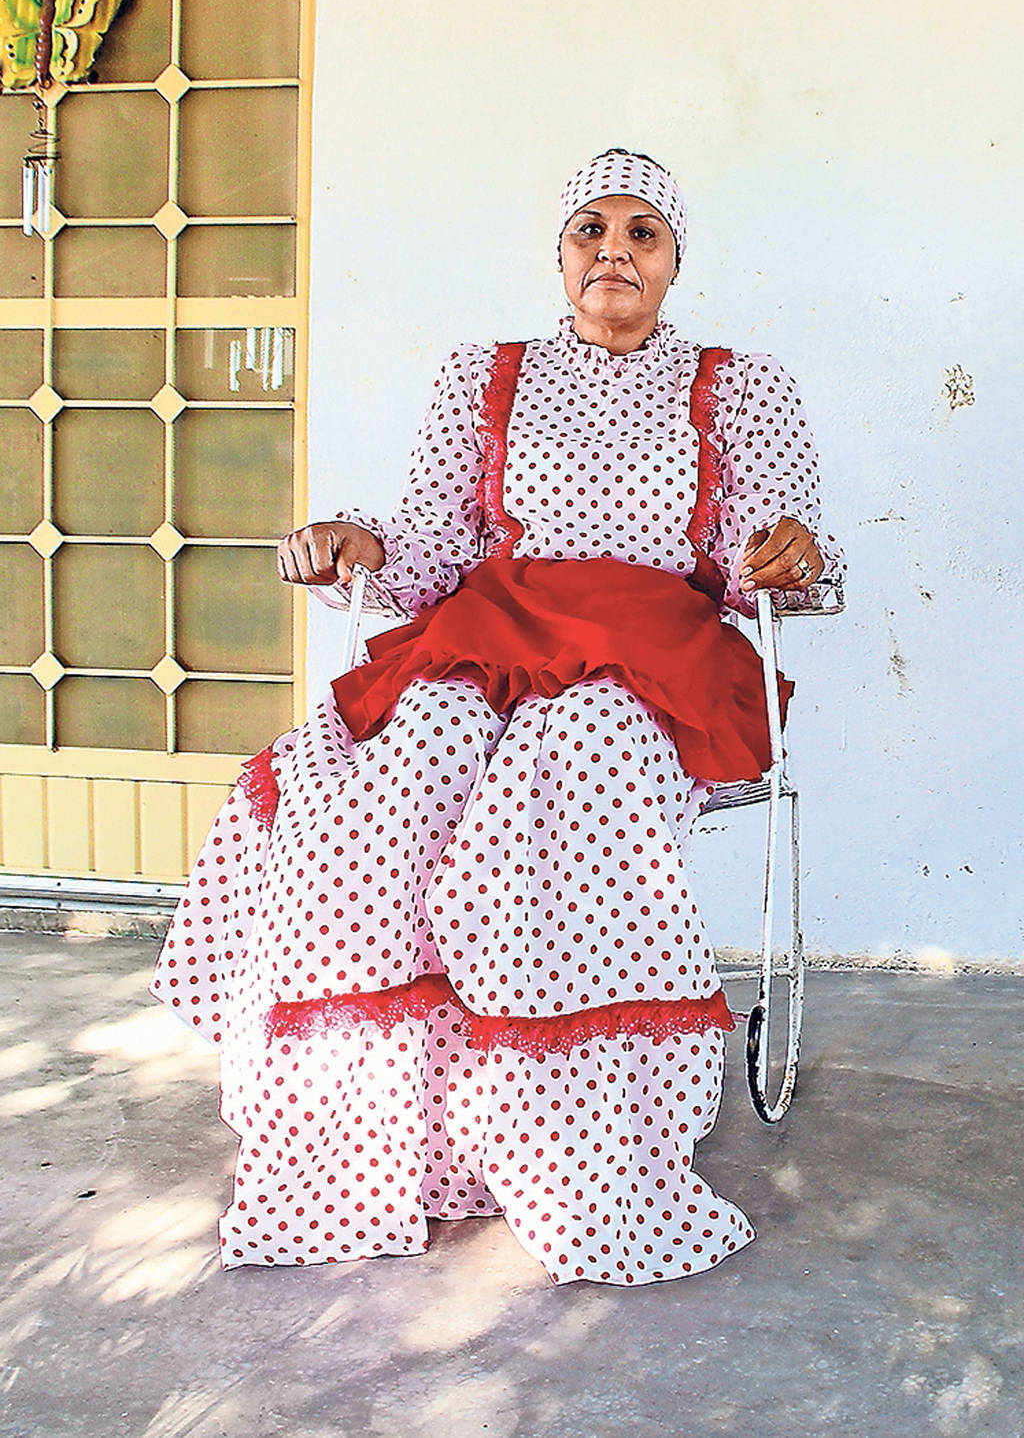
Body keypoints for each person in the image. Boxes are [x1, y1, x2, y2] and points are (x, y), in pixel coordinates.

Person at [152, 148, 841, 1286]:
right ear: (559, 252)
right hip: (493, 629)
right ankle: (391, 1131)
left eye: (641, 233)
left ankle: (565, 1135)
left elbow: (774, 558)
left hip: (653, 649)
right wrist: (357, 545)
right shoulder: (484, 375)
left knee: (554, 782)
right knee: (384, 786)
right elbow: (425, 551)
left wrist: (792, 555)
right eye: (589, 229)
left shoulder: (741, 383)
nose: (612, 250)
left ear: (674, 261)